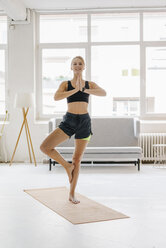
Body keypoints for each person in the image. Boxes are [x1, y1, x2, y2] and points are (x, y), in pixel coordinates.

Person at [40, 56, 106, 204]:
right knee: (45, 147)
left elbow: (103, 93)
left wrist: (84, 89)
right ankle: (66, 166)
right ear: (71, 67)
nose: (77, 66)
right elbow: (56, 97)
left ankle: (71, 194)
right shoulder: (66, 84)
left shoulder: (89, 84)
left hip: (84, 122)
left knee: (77, 159)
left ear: (84, 67)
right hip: (69, 120)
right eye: (74, 64)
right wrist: (75, 89)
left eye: (80, 64)